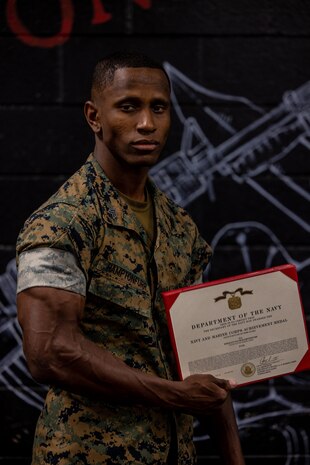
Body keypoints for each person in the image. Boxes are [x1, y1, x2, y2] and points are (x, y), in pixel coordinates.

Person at [16, 51, 245, 465]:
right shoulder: (62, 222)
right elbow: (48, 352)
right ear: (94, 117)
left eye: (158, 108)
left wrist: (234, 458)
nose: (146, 123)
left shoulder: (180, 227)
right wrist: (176, 394)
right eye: (128, 107)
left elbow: (205, 356)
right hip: (88, 455)